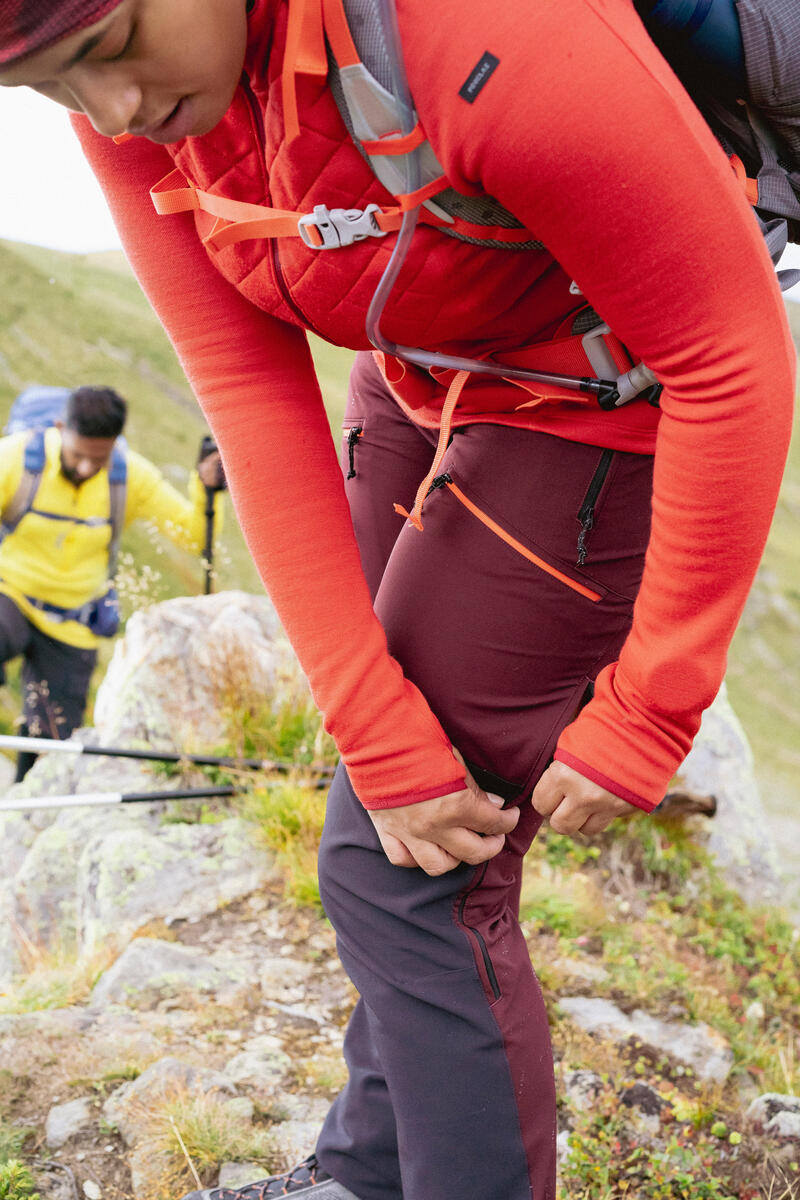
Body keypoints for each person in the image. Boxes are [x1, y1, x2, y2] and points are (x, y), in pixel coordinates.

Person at [0, 1, 794, 1196]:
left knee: (408, 877)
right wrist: (370, 727)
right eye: (55, 88)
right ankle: (371, 1166)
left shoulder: (470, 27)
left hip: (592, 403)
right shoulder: (138, 108)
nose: (109, 111)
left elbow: (728, 351)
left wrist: (653, 703)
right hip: (422, 373)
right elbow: (247, 391)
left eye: (111, 50)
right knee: (389, 811)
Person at [0, 384, 225, 779]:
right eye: (78, 456)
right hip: (10, 594)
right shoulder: (17, 457)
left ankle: (21, 805)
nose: (87, 467)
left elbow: (192, 535)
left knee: (52, 741)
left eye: (98, 459)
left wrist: (205, 489)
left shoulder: (129, 475)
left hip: (74, 623)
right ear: (59, 428)